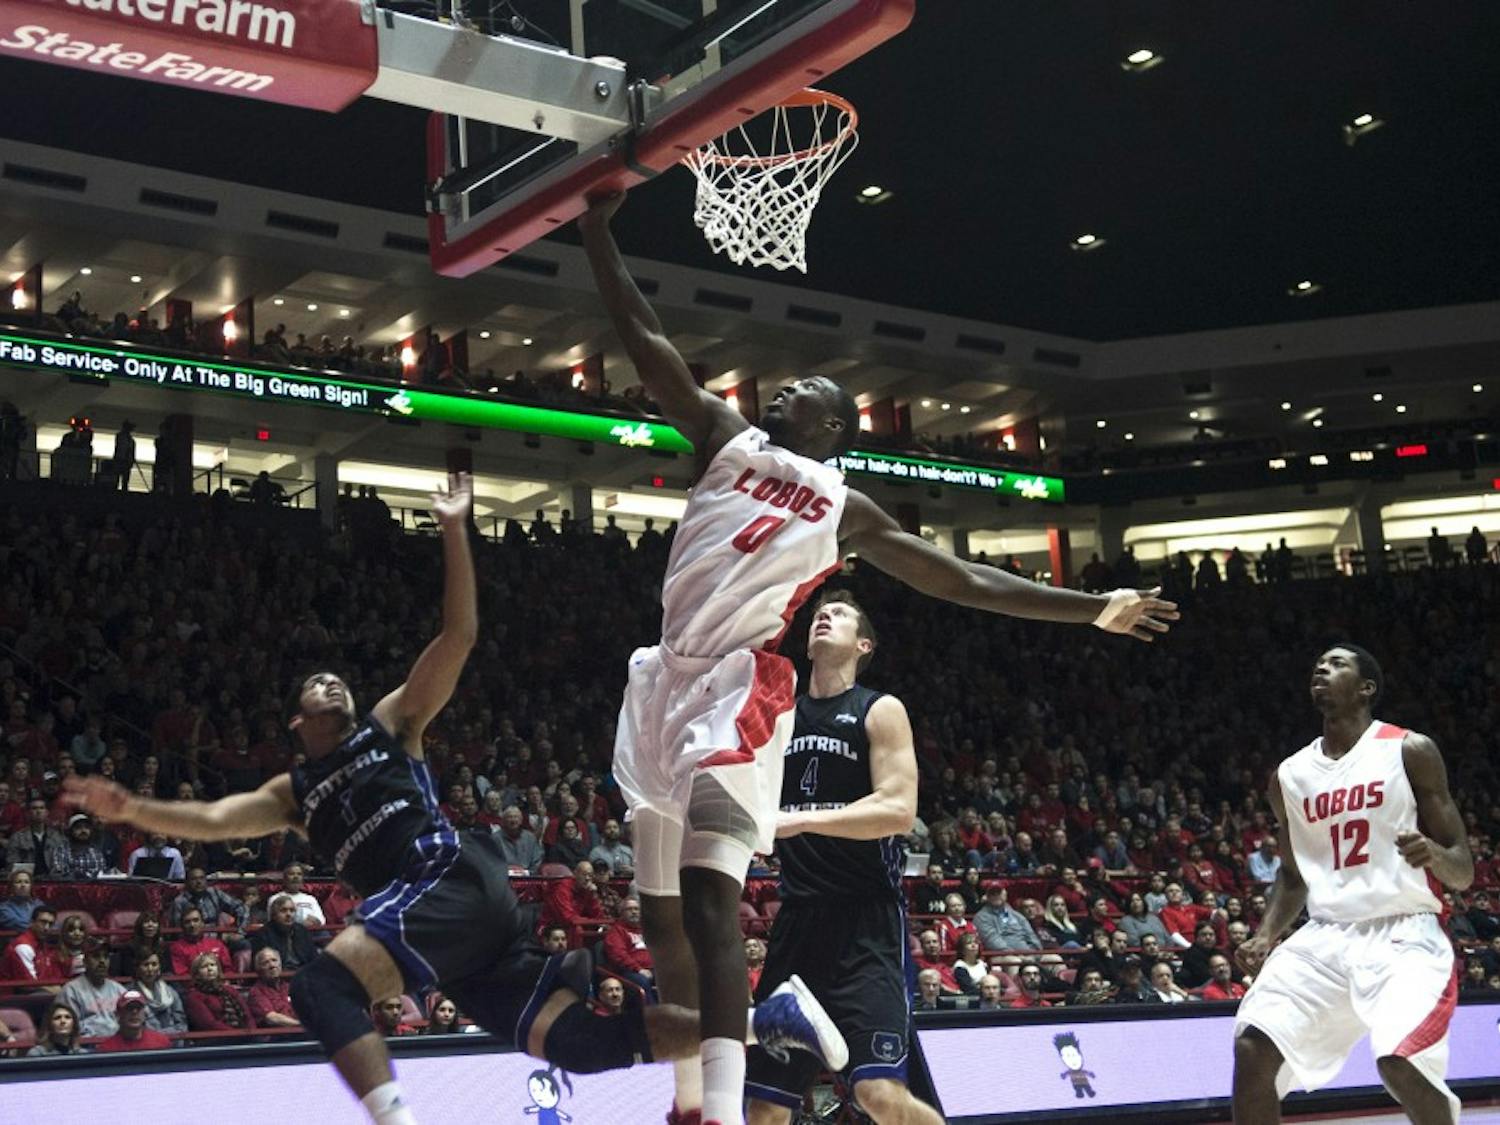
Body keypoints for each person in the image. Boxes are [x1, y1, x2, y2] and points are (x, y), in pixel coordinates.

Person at [581, 192, 1176, 1125]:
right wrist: (596, 232)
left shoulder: (844, 509)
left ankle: (724, 1113)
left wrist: (1091, 607)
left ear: (833, 429)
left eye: (803, 394)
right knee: (656, 908)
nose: (780, 393)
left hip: (735, 683)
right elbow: (643, 336)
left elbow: (961, 580)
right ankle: (692, 1101)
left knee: (706, 898)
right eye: (780, 390)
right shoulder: (723, 438)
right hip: (660, 673)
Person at [66, 472, 842, 1125]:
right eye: (315, 684)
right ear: (296, 721)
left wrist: (454, 529)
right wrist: (131, 808)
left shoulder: (391, 724)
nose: (333, 680)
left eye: (340, 677)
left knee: (320, 984)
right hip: (454, 941)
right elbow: (206, 820)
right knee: (579, 1044)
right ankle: (764, 1020)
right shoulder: (292, 792)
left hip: (448, 881)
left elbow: (459, 636)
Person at [1232, 645, 1474, 1125]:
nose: (1322, 667)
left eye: (1338, 663)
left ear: (1367, 689)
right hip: (1327, 933)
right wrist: (1266, 933)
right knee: (1253, 1049)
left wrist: (1434, 855)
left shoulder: (1409, 750)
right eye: (1318, 663)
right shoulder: (1290, 776)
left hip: (1404, 933)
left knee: (1399, 1063)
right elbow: (1294, 874)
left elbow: (1463, 868)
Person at [745, 592, 943, 1125]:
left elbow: (898, 810)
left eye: (839, 615)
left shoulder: (879, 709)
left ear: (864, 644)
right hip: (797, 923)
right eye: (817, 616)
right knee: (762, 1106)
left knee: (879, 1094)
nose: (822, 617)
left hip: (867, 925)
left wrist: (799, 819)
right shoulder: (780, 715)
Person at [59, 936, 127, 1037]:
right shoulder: (71, 991)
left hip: (118, 1046)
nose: (102, 961)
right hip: (87, 1048)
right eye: (96, 956)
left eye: (105, 957)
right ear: (85, 961)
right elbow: (68, 1028)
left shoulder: (119, 990)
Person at [250, 892, 318, 972]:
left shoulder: (302, 931)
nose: (288, 914)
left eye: (292, 910)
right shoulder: (263, 933)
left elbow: (313, 958)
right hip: (278, 975)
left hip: (303, 975)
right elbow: (261, 964)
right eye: (283, 910)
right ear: (274, 915)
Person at [0, 903, 61, 985]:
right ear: (32, 922)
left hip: (42, 991)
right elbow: (30, 985)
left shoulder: (43, 945)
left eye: (50, 924)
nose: (46, 928)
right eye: (43, 922)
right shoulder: (23, 946)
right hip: (18, 994)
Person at [95, 990, 173, 1052]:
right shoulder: (106, 1049)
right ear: (118, 1014)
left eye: (138, 1008)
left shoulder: (162, 1042)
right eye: (129, 1008)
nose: (134, 1012)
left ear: (145, 1013)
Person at [131, 949, 187, 1034]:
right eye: (145, 965)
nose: (150, 969)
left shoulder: (171, 992)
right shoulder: (130, 994)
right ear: (137, 968)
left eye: (154, 964)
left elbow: (182, 1023)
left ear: (159, 967)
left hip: (175, 1041)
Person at [168, 905, 232, 976]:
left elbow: (228, 969)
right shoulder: (177, 948)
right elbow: (182, 975)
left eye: (196, 920)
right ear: (182, 926)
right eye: (187, 922)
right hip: (193, 986)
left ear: (202, 923)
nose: (192, 925)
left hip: (220, 985)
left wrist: (224, 982)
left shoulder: (217, 944)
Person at [247, 947, 301, 1030]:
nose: (272, 965)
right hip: (277, 1037)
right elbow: (272, 1018)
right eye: (265, 963)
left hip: (300, 1032)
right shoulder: (256, 992)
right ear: (258, 969)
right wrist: (301, 1024)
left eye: (274, 960)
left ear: (280, 964)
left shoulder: (290, 987)